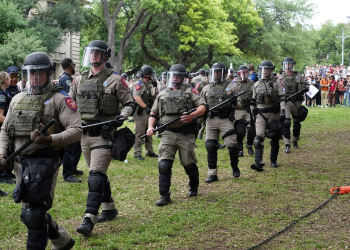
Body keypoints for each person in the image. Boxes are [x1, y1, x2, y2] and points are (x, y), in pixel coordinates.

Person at [0, 52, 82, 249]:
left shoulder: (59, 99)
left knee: (35, 214)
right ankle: (62, 240)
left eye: (40, 73)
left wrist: (50, 139)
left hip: (44, 163)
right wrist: (2, 153)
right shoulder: (17, 98)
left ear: (48, 73)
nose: (35, 78)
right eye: (31, 74)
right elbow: (5, 129)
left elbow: (77, 130)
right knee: (27, 214)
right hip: (20, 163)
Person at [69, 40, 136, 236]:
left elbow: (130, 103)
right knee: (96, 173)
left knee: (95, 177)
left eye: (97, 53)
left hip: (104, 136)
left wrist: (121, 117)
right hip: (84, 136)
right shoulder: (79, 80)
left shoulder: (115, 80)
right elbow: (69, 104)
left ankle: (89, 218)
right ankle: (109, 208)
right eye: (91, 53)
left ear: (104, 56)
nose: (94, 57)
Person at [146, 64, 207, 206]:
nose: (175, 78)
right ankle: (164, 195)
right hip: (167, 133)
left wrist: (192, 115)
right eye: (173, 75)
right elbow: (154, 113)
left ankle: (194, 184)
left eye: (179, 76)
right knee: (164, 165)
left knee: (188, 164)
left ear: (183, 78)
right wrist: (150, 127)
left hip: (185, 134)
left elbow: (203, 107)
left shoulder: (190, 91)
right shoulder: (162, 93)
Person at [200, 62, 242, 183]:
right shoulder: (206, 88)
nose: (216, 74)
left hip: (225, 119)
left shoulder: (232, 87)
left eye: (219, 72)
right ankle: (212, 174)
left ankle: (234, 166)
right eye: (215, 72)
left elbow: (239, 106)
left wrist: (234, 102)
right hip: (211, 120)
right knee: (210, 145)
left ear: (223, 73)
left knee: (232, 145)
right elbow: (201, 104)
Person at [250, 60, 286, 171]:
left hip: (274, 114)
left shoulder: (277, 83)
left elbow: (282, 97)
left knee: (275, 138)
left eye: (267, 69)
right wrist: (252, 112)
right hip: (261, 114)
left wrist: (283, 110)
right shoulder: (256, 84)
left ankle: (273, 160)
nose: (265, 71)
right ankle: (258, 163)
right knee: (258, 139)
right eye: (263, 69)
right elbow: (253, 100)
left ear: (271, 70)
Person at [56, 58, 83, 183]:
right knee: (69, 146)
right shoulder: (66, 80)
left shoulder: (65, 79)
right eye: (74, 65)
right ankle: (67, 174)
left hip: (69, 116)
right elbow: (69, 99)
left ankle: (72, 168)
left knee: (76, 144)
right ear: (70, 66)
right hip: (67, 116)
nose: (74, 67)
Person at [280, 57, 307, 153]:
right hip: (286, 102)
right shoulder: (280, 77)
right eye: (286, 64)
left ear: (292, 64)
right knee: (286, 122)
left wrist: (305, 88)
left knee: (296, 123)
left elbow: (305, 85)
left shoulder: (298, 76)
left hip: (296, 102)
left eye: (290, 64)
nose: (288, 65)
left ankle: (295, 140)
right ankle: (287, 144)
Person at [132, 65, 159, 160]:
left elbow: (153, 95)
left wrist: (155, 87)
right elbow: (137, 97)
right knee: (139, 133)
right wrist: (145, 107)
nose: (152, 76)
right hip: (140, 111)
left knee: (149, 131)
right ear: (147, 75)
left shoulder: (147, 84)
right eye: (151, 74)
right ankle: (137, 153)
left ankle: (150, 151)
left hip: (147, 110)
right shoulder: (139, 84)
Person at [232, 65, 255, 157]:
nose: (244, 75)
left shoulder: (252, 84)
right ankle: (240, 149)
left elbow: (255, 94)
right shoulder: (234, 84)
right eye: (242, 73)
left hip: (249, 109)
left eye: (246, 73)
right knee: (239, 131)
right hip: (238, 110)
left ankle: (249, 145)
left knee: (251, 129)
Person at [0, 72, 14, 192]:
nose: (10, 80)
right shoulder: (1, 95)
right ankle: (4, 176)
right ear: (5, 80)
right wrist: (13, 122)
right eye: (9, 78)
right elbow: (0, 116)